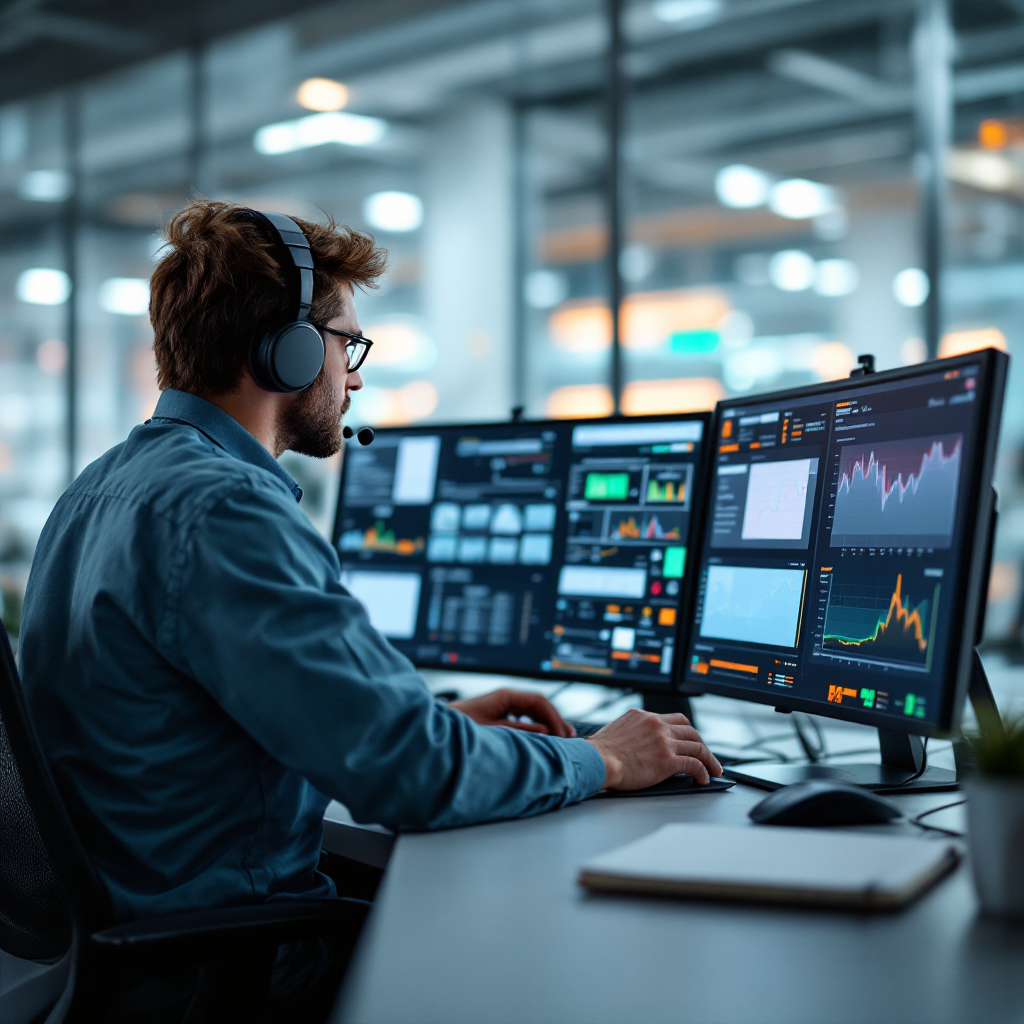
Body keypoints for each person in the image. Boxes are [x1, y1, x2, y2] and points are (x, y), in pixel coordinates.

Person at [19, 200, 721, 1018]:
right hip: (230, 970)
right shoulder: (227, 510)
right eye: (347, 344)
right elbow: (409, 779)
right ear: (283, 352)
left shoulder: (98, 490)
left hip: (135, 952)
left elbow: (201, 718)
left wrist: (432, 716)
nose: (354, 375)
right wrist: (605, 760)